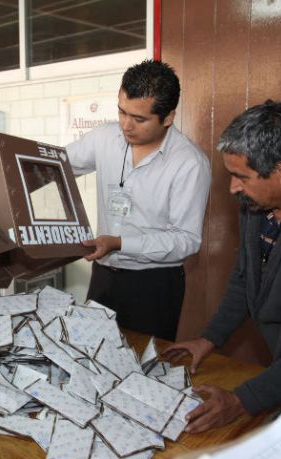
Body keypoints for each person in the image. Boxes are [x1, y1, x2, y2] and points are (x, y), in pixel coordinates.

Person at [163, 100, 281, 433]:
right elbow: (246, 279)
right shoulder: (257, 200)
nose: (232, 187)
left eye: (241, 177)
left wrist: (241, 401)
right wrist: (210, 338)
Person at [66, 59, 211, 340]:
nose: (126, 125)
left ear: (168, 117)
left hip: (153, 286)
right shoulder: (104, 138)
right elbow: (53, 165)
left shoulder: (190, 164)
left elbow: (186, 240)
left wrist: (119, 243)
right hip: (103, 275)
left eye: (139, 119)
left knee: (143, 367)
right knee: (90, 358)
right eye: (122, 112)